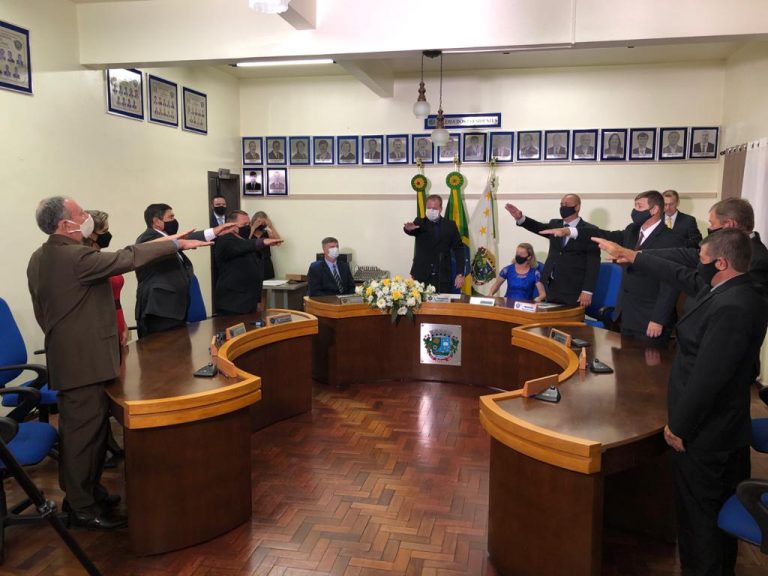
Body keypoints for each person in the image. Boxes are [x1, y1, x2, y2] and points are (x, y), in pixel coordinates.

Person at [591, 229, 767, 576]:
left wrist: (679, 426)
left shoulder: (734, 305)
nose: (697, 265)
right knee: (710, 517)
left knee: (699, 518)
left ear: (721, 263)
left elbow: (709, 379)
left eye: (702, 259)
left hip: (707, 434)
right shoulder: (728, 288)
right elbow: (678, 273)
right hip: (718, 428)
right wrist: (634, 255)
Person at [27, 196, 210, 530]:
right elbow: (128, 257)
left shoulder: (40, 256)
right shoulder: (75, 257)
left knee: (90, 433)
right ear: (65, 224)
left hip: (73, 358)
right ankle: (82, 509)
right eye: (81, 213)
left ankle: (89, 493)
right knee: (83, 438)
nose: (87, 217)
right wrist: (174, 243)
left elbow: (43, 313)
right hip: (83, 364)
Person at [542, 190, 682, 345]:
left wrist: (658, 319)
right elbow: (604, 234)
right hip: (626, 315)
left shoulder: (671, 239)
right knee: (626, 359)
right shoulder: (632, 230)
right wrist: (570, 231)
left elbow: (670, 285)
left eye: (639, 206)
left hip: (650, 319)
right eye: (634, 205)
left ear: (654, 209)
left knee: (649, 360)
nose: (635, 210)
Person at [135, 203, 236, 338]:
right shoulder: (148, 238)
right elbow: (178, 241)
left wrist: (214, 232)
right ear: (157, 221)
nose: (174, 220)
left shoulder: (167, 239)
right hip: (160, 310)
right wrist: (213, 232)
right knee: (162, 348)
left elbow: (181, 241)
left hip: (173, 310)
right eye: (170, 217)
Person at [505, 194, 600, 307]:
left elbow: (593, 264)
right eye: (561, 204)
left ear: (577, 207)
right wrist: (520, 218)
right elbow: (538, 227)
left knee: (569, 318)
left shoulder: (590, 230)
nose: (563, 207)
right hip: (550, 287)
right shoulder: (555, 224)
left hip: (573, 289)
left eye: (566, 204)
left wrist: (587, 291)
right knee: (548, 318)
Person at [214, 210, 283, 316]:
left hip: (249, 302)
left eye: (248, 224)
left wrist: (258, 301)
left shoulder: (244, 240)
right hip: (233, 304)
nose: (247, 227)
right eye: (244, 225)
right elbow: (243, 246)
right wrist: (262, 241)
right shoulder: (225, 240)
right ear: (230, 225)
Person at [403, 194, 466, 293]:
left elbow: (459, 249)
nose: (431, 211)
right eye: (428, 208)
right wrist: (407, 229)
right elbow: (411, 231)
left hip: (443, 276)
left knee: (443, 302)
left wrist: (460, 273)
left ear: (440, 209)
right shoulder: (419, 222)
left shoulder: (450, 225)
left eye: (434, 208)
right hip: (421, 276)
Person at [250, 210, 280, 280]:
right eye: (259, 222)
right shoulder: (248, 231)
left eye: (263, 223)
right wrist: (253, 228)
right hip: (252, 262)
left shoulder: (267, 232)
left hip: (266, 262)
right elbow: (244, 242)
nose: (261, 224)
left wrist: (271, 226)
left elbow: (278, 242)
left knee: (268, 283)